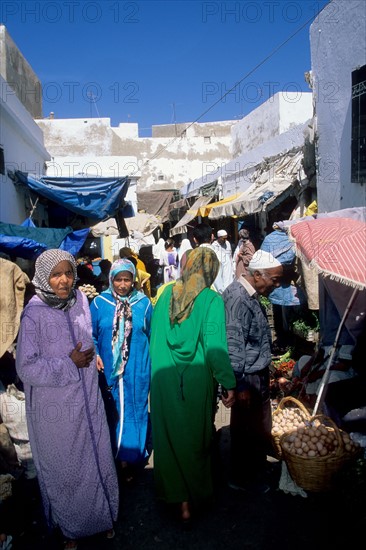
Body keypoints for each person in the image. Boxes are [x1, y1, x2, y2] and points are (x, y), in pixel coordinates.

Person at [15, 249, 118, 550]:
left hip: (88, 398)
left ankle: (103, 517)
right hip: (56, 408)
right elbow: (26, 367)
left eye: (69, 273)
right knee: (65, 468)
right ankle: (70, 529)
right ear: (44, 277)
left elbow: (87, 338)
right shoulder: (33, 314)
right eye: (56, 274)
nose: (63, 280)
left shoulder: (80, 301)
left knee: (97, 457)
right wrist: (68, 363)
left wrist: (93, 356)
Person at [149, 247, 236, 524]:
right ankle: (195, 495)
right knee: (195, 439)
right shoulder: (211, 300)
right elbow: (214, 347)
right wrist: (227, 382)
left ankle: (180, 501)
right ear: (211, 270)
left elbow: (154, 339)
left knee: (169, 439)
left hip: (163, 379)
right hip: (195, 382)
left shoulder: (164, 298)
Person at [222, 249, 283, 493]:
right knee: (246, 429)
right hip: (247, 375)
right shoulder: (238, 298)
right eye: (274, 280)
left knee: (256, 427)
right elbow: (233, 343)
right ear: (257, 275)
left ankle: (255, 468)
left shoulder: (251, 294)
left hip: (255, 372)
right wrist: (240, 384)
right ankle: (243, 477)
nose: (276, 286)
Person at [90, 258, 152, 482]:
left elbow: (151, 334)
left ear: (133, 280)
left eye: (127, 280)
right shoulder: (99, 303)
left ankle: (133, 455)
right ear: (111, 280)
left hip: (138, 367)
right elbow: (91, 334)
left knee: (136, 409)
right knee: (113, 410)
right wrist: (96, 353)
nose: (123, 285)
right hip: (109, 369)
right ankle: (117, 457)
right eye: (118, 279)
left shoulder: (143, 304)